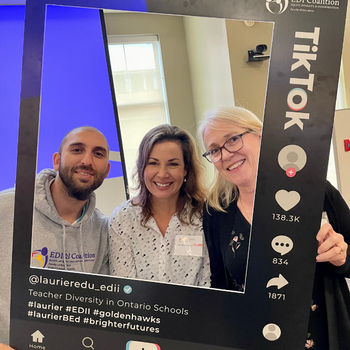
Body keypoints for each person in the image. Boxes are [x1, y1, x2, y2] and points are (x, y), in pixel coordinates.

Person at [198, 106, 350, 349]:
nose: (225, 155)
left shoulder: (314, 191)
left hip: (324, 337)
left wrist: (342, 258)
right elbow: (221, 285)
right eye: (214, 150)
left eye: (233, 140)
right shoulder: (216, 212)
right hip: (256, 340)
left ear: (262, 135)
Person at [0, 126, 111, 345]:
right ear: (57, 160)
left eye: (98, 154)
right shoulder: (6, 208)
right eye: (77, 149)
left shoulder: (103, 230)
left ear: (107, 170)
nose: (87, 161)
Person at [109, 124, 210, 286]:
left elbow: (208, 282)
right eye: (153, 163)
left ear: (186, 169)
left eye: (173, 164)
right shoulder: (123, 217)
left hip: (196, 310)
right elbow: (124, 287)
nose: (162, 174)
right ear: (142, 167)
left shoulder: (206, 216)